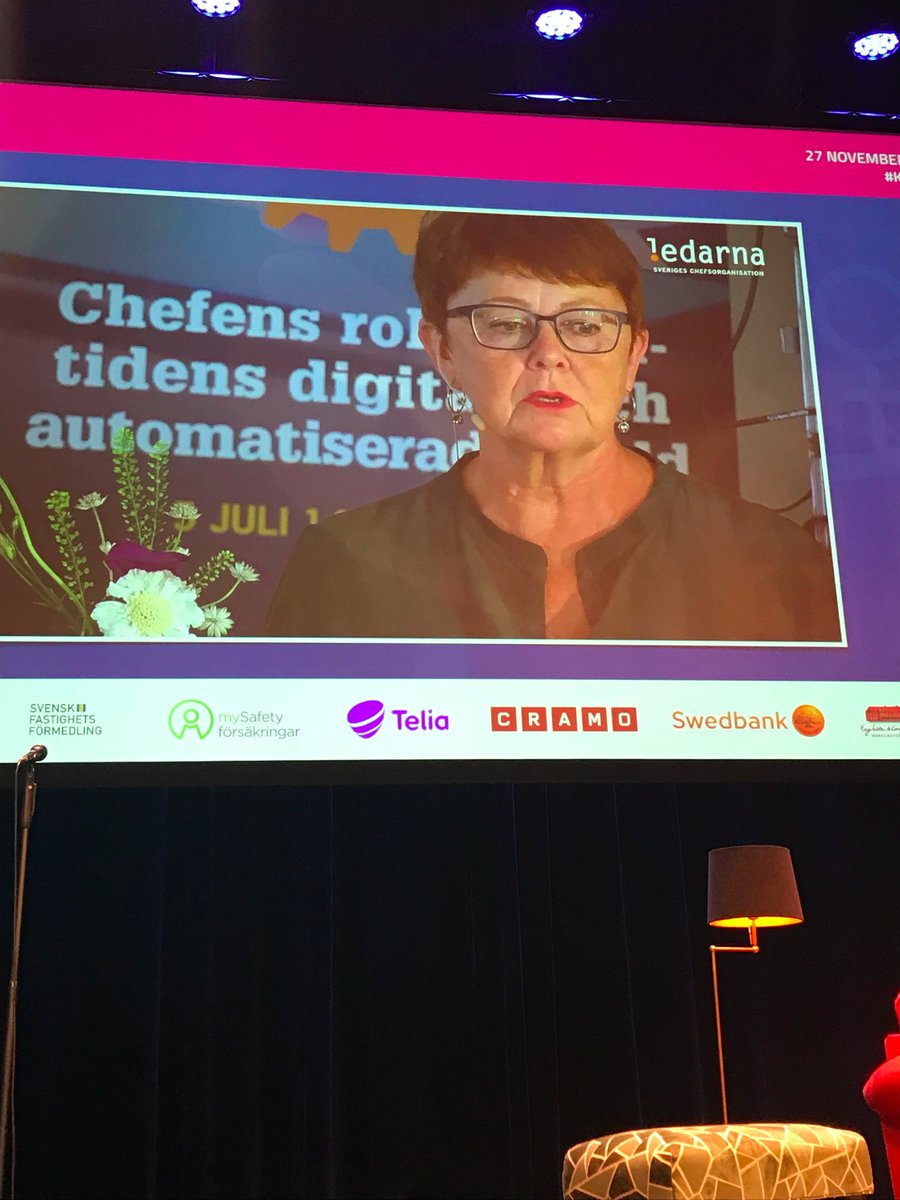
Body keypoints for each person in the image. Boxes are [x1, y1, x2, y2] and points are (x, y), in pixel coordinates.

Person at [264, 212, 841, 642]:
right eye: (505, 322)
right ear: (442, 351)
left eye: (585, 325)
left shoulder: (777, 562)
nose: (548, 354)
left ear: (633, 357)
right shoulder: (343, 564)